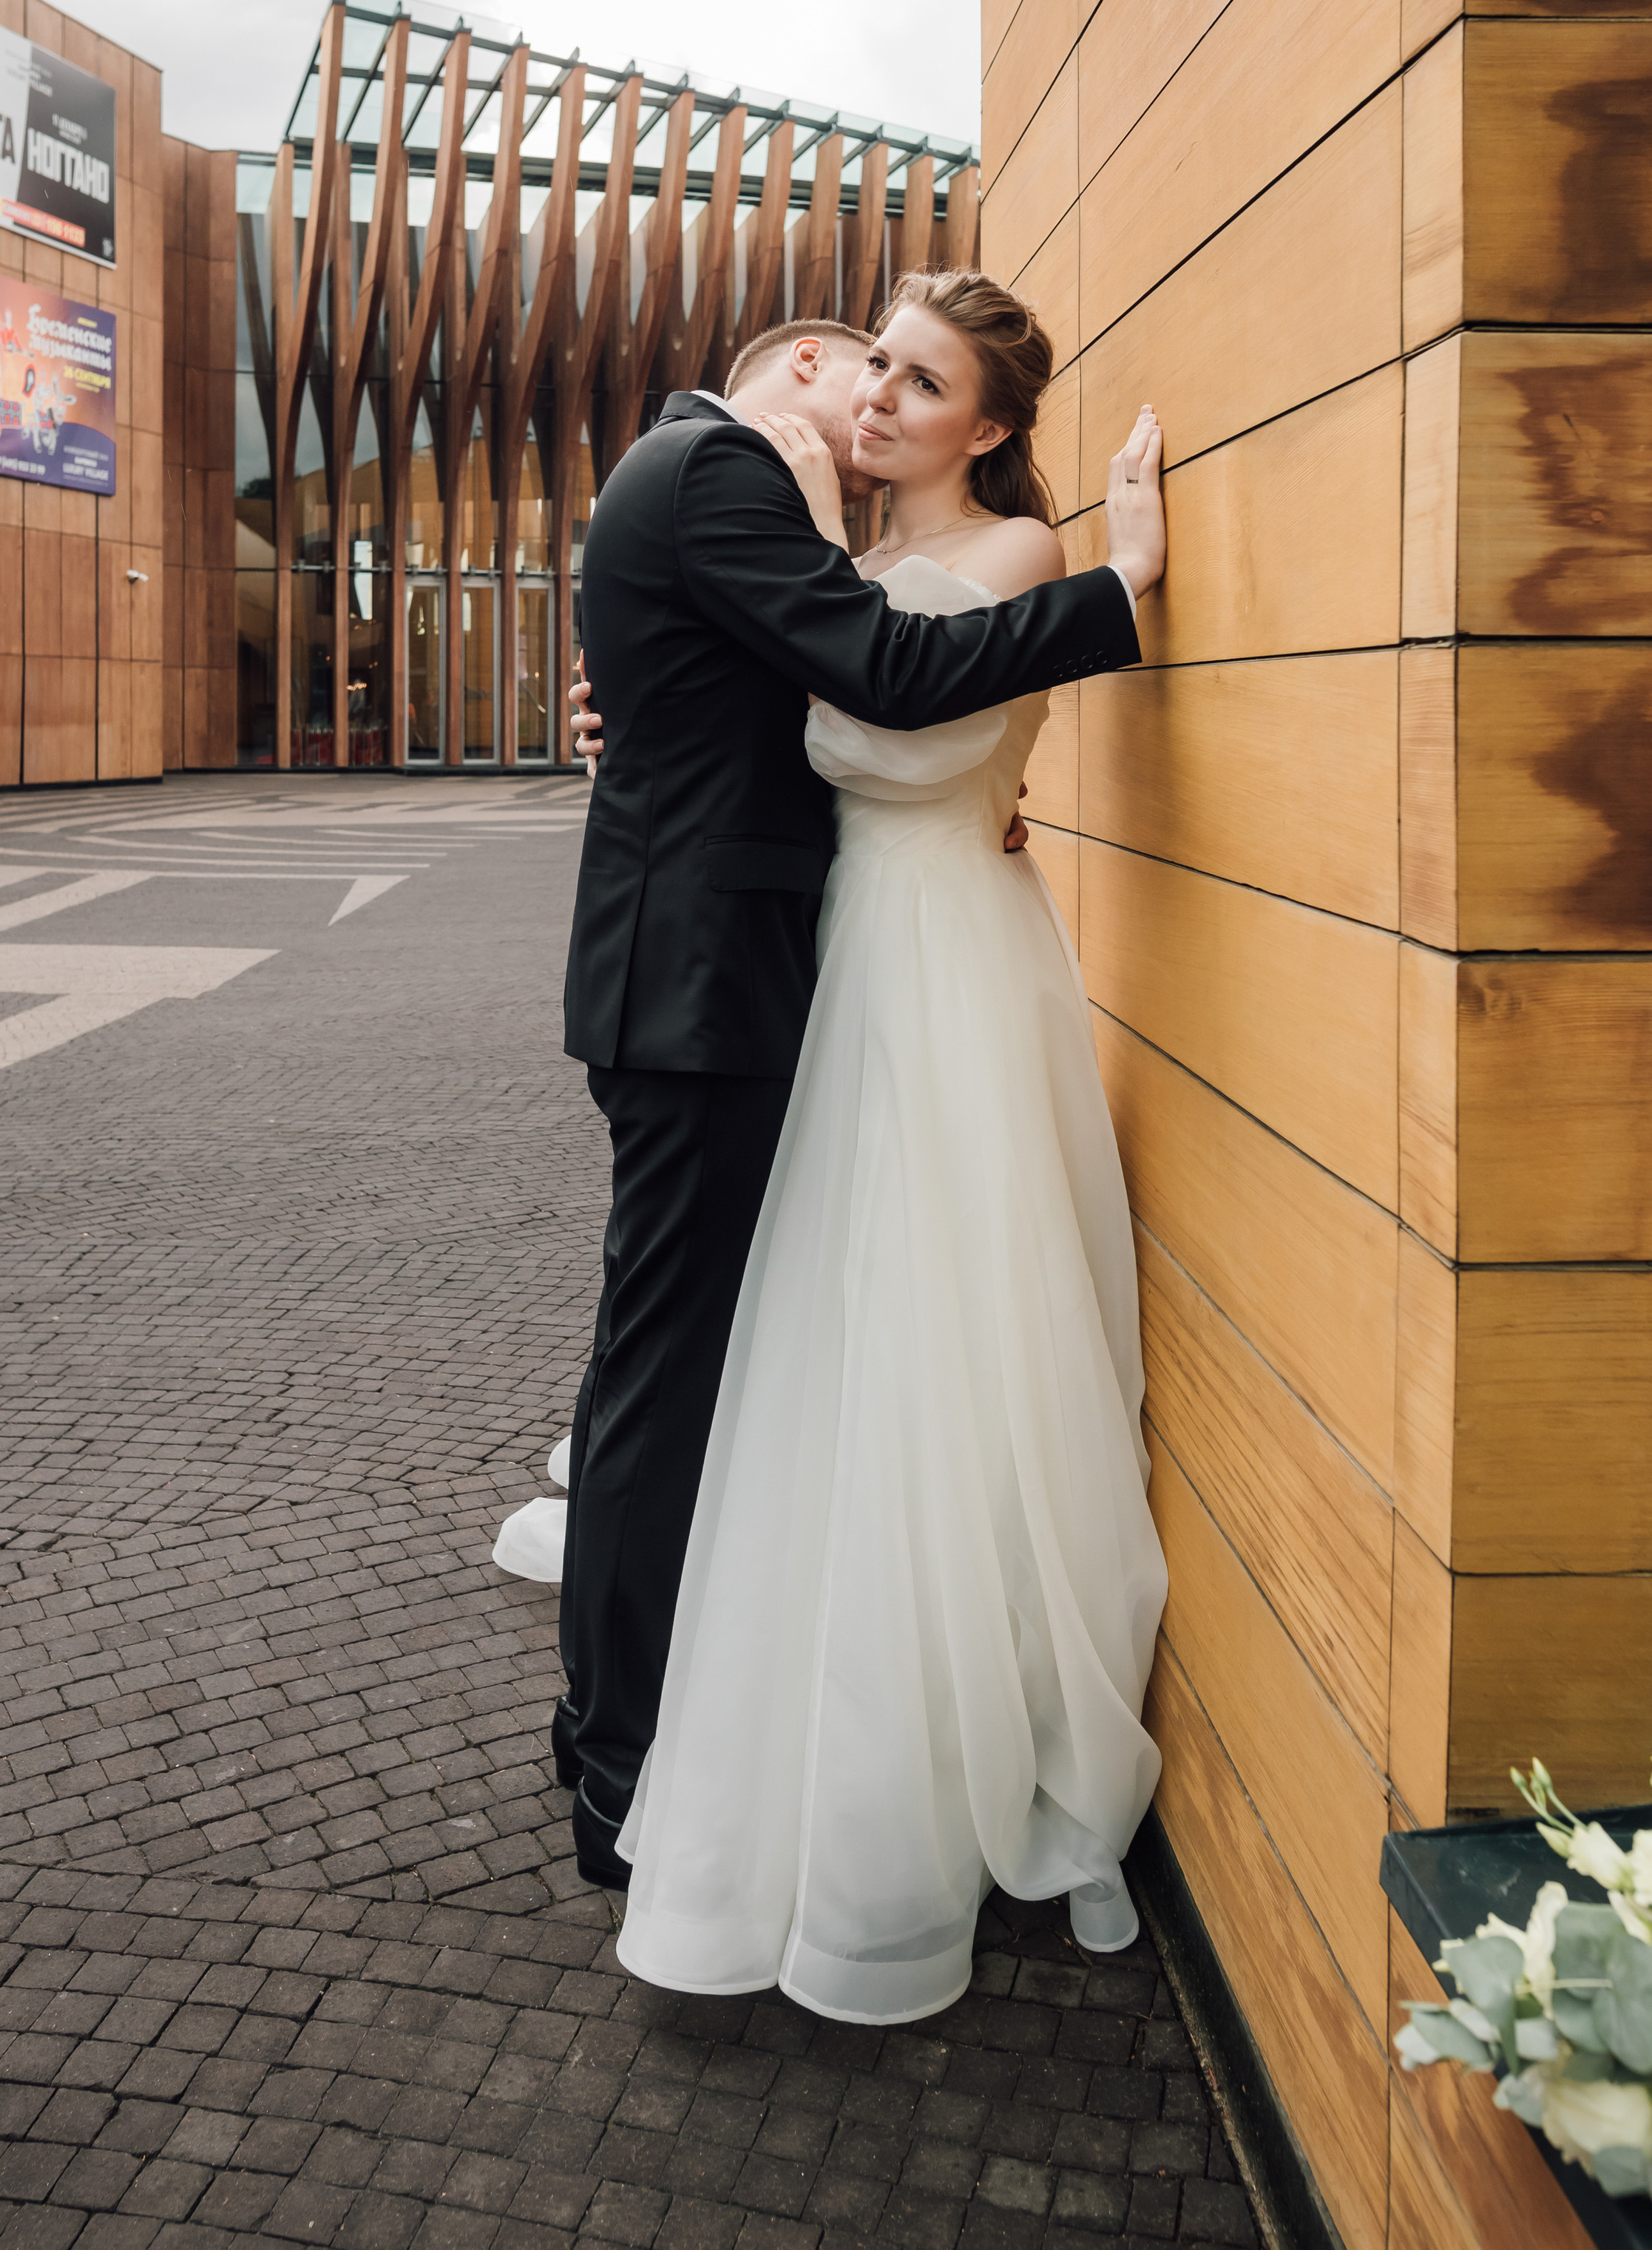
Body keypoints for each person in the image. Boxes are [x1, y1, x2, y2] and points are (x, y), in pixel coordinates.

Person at [603, 271, 1165, 2019]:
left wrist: (1113, 590)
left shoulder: (1007, 559)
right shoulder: (835, 566)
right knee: (824, 1347)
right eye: (876, 373)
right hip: (841, 959)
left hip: (930, 965)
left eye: (921, 387)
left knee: (935, 1337)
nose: (881, 404)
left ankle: (955, 1726)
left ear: (987, 428)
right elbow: (802, 686)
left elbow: (885, 714)